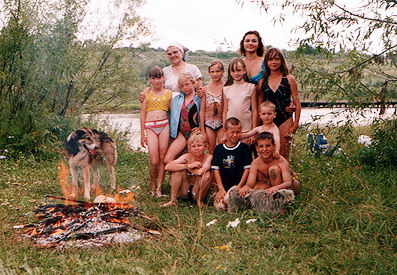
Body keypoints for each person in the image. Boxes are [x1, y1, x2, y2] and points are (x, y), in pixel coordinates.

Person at [259, 48, 301, 160]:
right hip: (268, 120)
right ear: (266, 62)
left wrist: (295, 125)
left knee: (283, 153)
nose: (273, 62)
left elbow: (297, 104)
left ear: (281, 61)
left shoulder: (289, 79)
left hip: (285, 119)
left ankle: (287, 176)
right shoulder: (263, 82)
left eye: (276, 59)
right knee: (267, 154)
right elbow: (260, 105)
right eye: (270, 59)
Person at [140, 66, 172, 197]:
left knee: (163, 158)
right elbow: (142, 115)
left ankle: (159, 187)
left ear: (163, 78)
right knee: (154, 161)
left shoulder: (169, 93)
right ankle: (152, 186)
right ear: (149, 80)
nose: (157, 81)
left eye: (159, 77)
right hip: (150, 127)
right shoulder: (146, 94)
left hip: (164, 125)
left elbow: (173, 112)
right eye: (154, 78)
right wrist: (142, 134)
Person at [239, 132, 300, 198]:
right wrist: (245, 188)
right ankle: (267, 199)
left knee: (273, 170)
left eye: (268, 146)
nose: (264, 149)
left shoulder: (281, 160)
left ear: (274, 146)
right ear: (257, 148)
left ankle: (279, 199)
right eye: (261, 146)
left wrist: (276, 187)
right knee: (256, 187)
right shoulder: (255, 163)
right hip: (269, 184)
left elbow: (288, 183)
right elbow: (250, 184)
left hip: (287, 185)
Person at [161, 131, 212, 208]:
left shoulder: (209, 157)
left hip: (197, 189)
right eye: (193, 146)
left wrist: (190, 170)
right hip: (185, 188)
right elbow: (168, 166)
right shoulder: (187, 156)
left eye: (199, 145)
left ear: (205, 146)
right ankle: (173, 200)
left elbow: (200, 172)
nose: (196, 148)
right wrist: (188, 166)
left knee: (207, 175)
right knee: (177, 170)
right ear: (190, 148)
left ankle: (199, 200)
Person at [212, 117, 253, 211]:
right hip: (224, 187)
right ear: (225, 131)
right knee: (220, 207)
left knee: (229, 200)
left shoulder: (244, 148)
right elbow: (216, 170)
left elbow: (247, 169)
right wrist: (220, 189)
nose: (235, 135)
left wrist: (239, 186)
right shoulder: (219, 149)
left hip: (239, 187)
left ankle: (233, 201)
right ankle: (226, 199)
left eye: (238, 132)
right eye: (232, 132)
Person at [164, 72, 201, 164]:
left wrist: (201, 127)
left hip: (194, 133)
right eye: (182, 86)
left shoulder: (200, 98)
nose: (185, 87)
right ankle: (180, 172)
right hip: (181, 134)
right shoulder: (177, 99)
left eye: (187, 84)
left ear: (193, 83)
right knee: (167, 159)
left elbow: (205, 115)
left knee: (193, 160)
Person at [223, 58, 257, 144]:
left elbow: (254, 111)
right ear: (230, 72)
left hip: (246, 130)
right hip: (230, 130)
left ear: (244, 70)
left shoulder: (250, 87)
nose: (236, 73)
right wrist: (224, 131)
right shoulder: (226, 89)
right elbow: (224, 112)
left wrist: (253, 133)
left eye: (239, 70)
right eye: (233, 71)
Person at [199, 60, 225, 154]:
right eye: (212, 72)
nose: (215, 74)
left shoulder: (226, 88)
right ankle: (212, 168)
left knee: (223, 148)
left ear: (222, 72)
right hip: (208, 123)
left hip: (222, 123)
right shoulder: (205, 89)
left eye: (217, 71)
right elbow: (202, 111)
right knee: (211, 150)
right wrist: (202, 129)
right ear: (209, 73)